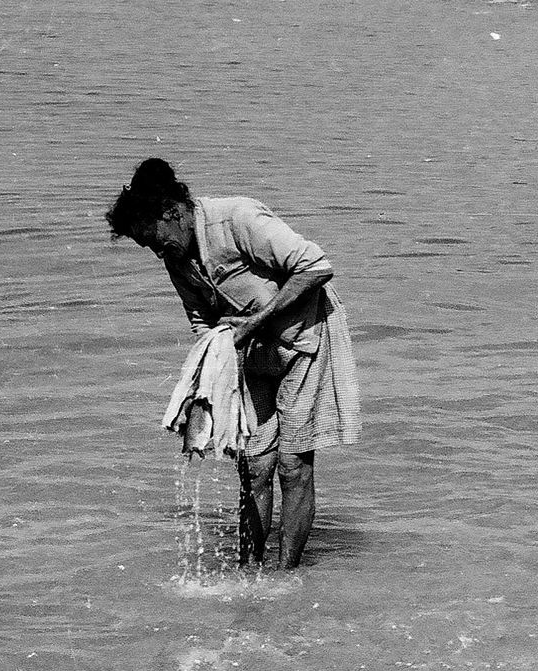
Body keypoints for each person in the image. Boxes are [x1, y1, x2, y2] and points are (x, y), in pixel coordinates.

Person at [106, 158, 360, 568]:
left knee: (293, 465)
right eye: (147, 248)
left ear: (173, 213)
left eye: (155, 240)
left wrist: (256, 321)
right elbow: (201, 324)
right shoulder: (177, 259)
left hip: (303, 342)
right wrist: (202, 393)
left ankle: (285, 574)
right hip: (250, 354)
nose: (157, 253)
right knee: (254, 466)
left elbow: (315, 266)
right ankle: (250, 571)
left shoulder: (237, 218)